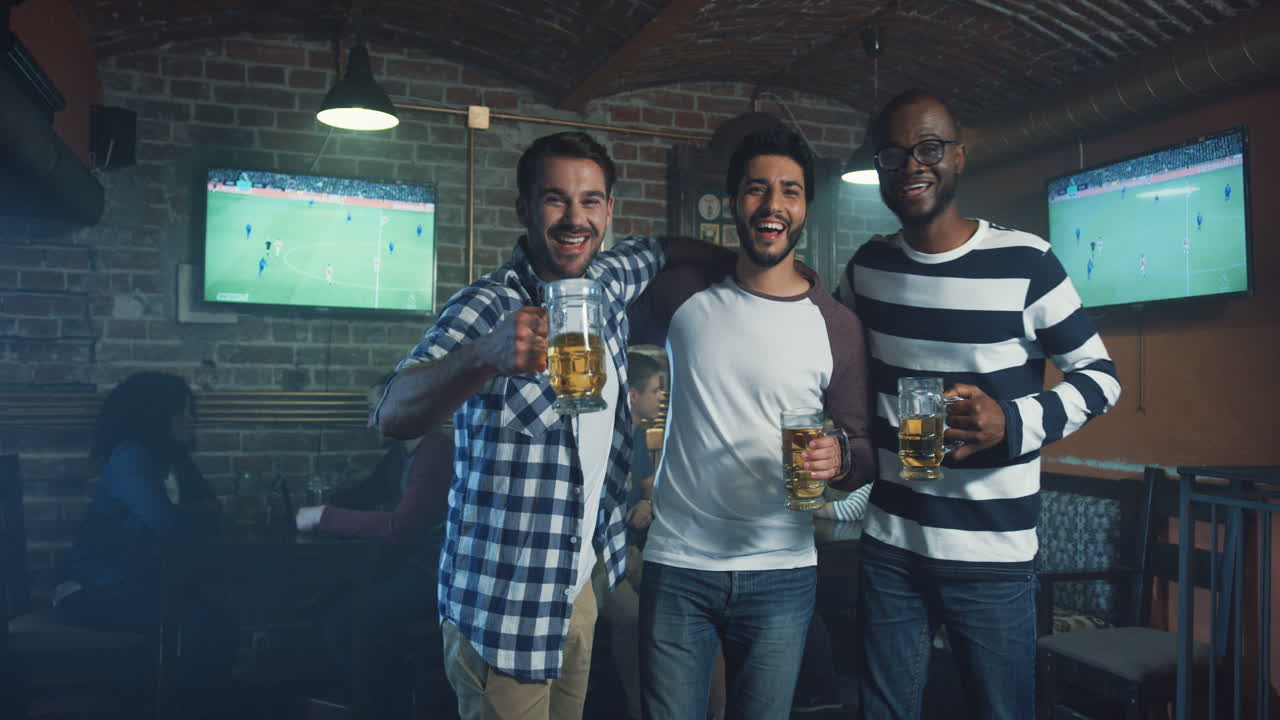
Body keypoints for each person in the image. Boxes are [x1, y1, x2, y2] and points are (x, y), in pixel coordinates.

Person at [376, 131, 730, 720]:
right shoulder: (487, 305)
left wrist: (749, 272)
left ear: (609, 210)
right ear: (523, 208)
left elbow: (666, 248)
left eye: (591, 201)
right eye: (555, 199)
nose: (575, 218)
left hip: (579, 590)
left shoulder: (609, 282)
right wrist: (484, 354)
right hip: (503, 608)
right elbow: (388, 412)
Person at [834, 89, 1122, 720]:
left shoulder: (1027, 262)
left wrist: (1012, 421)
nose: (912, 164)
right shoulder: (867, 269)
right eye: (894, 153)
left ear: (958, 158)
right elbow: (833, 365)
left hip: (992, 558)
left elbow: (1101, 376)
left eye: (929, 148)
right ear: (880, 167)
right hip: (892, 547)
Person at [630, 125, 875, 720]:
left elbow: (864, 445)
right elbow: (616, 303)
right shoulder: (683, 293)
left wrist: (839, 458)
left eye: (789, 191)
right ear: (735, 200)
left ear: (806, 208)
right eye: (756, 189)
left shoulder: (835, 323)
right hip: (679, 564)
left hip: (782, 572)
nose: (773, 205)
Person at [54, 372, 237, 715]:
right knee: (204, 626)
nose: (192, 420)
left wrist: (202, 512)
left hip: (138, 587)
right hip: (91, 590)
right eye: (184, 411)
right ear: (158, 415)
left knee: (216, 621)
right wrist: (201, 511)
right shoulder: (129, 457)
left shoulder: (173, 460)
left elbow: (208, 515)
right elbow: (168, 520)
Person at [295, 375, 455, 720]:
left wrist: (323, 516)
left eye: (374, 411)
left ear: (404, 407)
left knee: (356, 617)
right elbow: (364, 495)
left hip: (440, 578)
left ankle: (380, 708)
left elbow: (402, 526)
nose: (369, 422)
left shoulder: (436, 452)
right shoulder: (400, 455)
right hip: (412, 568)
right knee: (330, 606)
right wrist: (320, 502)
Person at [593, 350, 664, 720]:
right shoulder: (604, 437)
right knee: (634, 619)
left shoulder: (638, 437)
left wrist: (646, 505)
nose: (660, 397)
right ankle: (634, 707)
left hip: (630, 550)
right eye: (655, 390)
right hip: (598, 560)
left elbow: (648, 489)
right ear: (633, 396)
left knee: (671, 600)